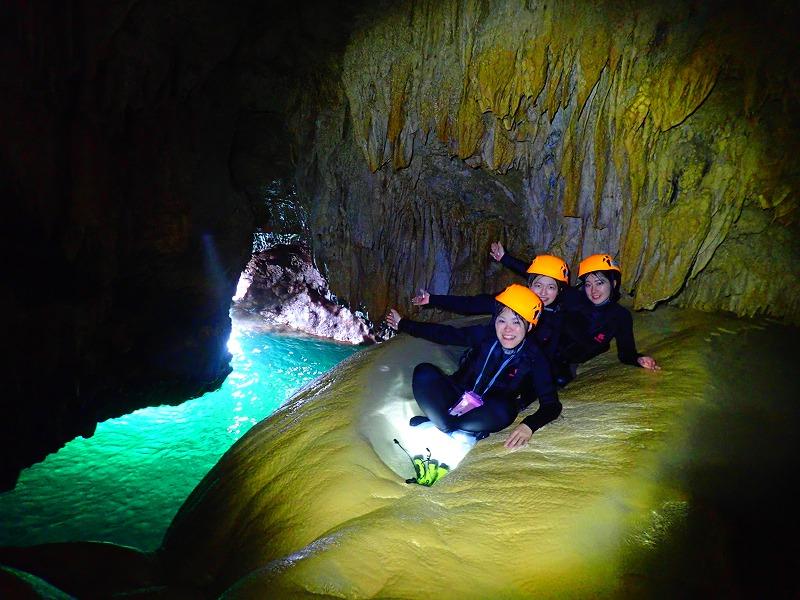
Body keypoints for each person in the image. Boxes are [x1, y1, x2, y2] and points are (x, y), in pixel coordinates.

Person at [386, 284, 561, 449]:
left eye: (516, 323)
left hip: (487, 410)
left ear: (529, 327)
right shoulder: (485, 335)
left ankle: (447, 423)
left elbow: (551, 404)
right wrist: (403, 324)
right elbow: (444, 334)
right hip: (457, 394)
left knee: (504, 410)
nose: (507, 329)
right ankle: (450, 425)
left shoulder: (535, 357)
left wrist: (529, 425)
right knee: (424, 372)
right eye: (502, 321)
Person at [411, 251, 571, 365]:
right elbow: (471, 304)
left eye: (551, 287)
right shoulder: (510, 302)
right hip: (491, 357)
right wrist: (433, 299)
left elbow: (549, 352)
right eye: (538, 285)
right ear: (529, 285)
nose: (543, 292)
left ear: (559, 290)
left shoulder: (559, 316)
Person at [550, 253, 660, 384]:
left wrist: (638, 359)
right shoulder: (573, 299)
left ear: (613, 283)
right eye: (588, 285)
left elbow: (626, 353)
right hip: (547, 352)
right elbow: (543, 283)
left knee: (561, 380)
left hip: (570, 361)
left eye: (599, 283)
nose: (593, 290)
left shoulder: (620, 316)